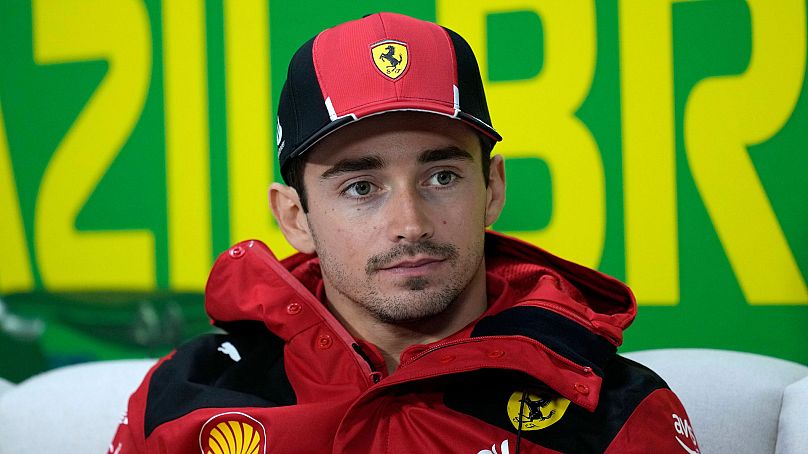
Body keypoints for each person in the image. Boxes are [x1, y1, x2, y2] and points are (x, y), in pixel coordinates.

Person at [110, 12, 698, 454]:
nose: (410, 225)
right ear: (295, 217)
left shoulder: (616, 412)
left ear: (492, 188)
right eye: (360, 187)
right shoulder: (184, 396)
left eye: (441, 175)